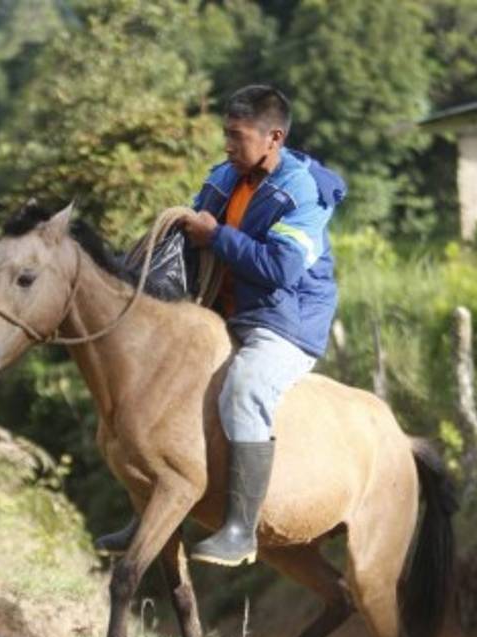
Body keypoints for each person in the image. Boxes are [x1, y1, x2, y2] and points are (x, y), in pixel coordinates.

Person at [94, 84, 346, 567]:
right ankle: (148, 509)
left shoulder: (303, 193)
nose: (228, 145)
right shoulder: (224, 177)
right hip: (225, 313)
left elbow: (280, 270)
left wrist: (217, 236)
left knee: (245, 388)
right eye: (226, 134)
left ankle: (240, 530)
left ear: (273, 137)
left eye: (237, 135)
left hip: (285, 324)